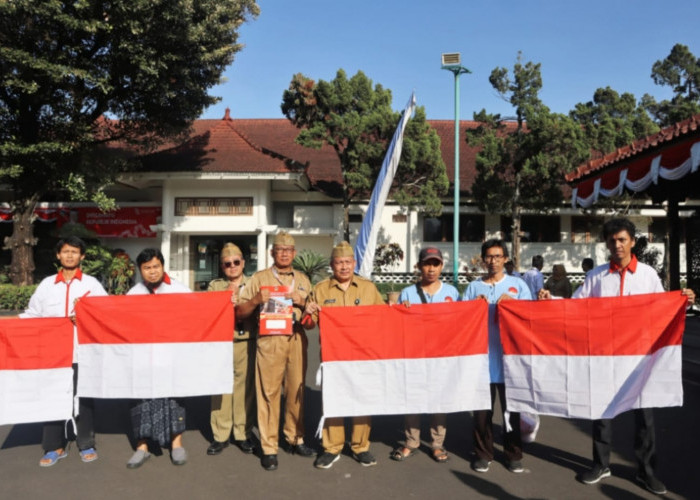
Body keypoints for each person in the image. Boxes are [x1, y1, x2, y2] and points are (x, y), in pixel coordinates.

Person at [539, 218, 695, 495]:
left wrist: (684, 299)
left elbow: (663, 309)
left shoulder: (647, 275)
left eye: (623, 239)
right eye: (612, 240)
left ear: (633, 241)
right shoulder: (596, 276)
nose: (617, 245)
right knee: (601, 411)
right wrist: (550, 301)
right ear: (606, 244)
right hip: (604, 357)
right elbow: (576, 310)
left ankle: (646, 472)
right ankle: (601, 464)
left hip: (640, 359)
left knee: (644, 415)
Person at [21, 236, 108, 467]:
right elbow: (32, 315)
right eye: (66, 251)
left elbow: (105, 314)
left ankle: (86, 443)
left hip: (83, 353)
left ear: (82, 257)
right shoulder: (47, 285)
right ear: (58, 256)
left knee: (84, 400)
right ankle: (53, 446)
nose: (70, 255)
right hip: (52, 354)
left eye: (75, 252)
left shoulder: (91, 285)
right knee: (51, 398)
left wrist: (85, 317)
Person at [302, 241, 386, 469]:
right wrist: (307, 313)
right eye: (339, 262)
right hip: (334, 358)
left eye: (348, 262)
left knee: (362, 400)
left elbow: (383, 318)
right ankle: (332, 447)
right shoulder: (320, 289)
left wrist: (401, 308)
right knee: (333, 401)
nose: (344, 267)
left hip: (362, 356)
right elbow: (309, 325)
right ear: (332, 265)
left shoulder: (368, 288)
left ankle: (361, 446)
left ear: (354, 263)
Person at [235, 232, 314, 471]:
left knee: (296, 391)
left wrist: (302, 303)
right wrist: (256, 299)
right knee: (268, 394)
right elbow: (239, 312)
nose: (284, 254)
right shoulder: (259, 279)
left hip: (296, 338)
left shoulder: (302, 280)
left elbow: (312, 319)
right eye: (280, 249)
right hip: (270, 340)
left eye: (288, 250)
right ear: (272, 253)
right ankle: (269, 447)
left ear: (294, 253)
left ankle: (295, 437)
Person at [462, 239, 532, 474]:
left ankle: (513, 454)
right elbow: (460, 322)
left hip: (510, 361)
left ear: (505, 259)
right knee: (482, 413)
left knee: (511, 410)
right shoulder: (473, 288)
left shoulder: (518, 285)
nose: (493, 261)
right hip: (481, 361)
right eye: (489, 257)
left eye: (498, 256)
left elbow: (532, 317)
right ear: (483, 259)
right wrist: (473, 307)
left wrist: (515, 305)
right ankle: (483, 454)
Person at [390, 247, 459, 464]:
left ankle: (437, 444)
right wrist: (400, 309)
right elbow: (398, 325)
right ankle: (412, 442)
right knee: (414, 398)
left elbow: (461, 323)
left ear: (441, 267)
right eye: (427, 264)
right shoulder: (408, 293)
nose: (431, 269)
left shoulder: (452, 293)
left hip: (441, 355)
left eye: (435, 264)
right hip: (415, 354)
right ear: (419, 266)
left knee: (438, 400)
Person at [125, 248, 191, 469]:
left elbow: (197, 315)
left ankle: (177, 444)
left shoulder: (181, 291)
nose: (152, 272)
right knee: (141, 402)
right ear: (140, 270)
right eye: (147, 268)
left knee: (174, 400)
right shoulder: (133, 295)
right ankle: (141, 447)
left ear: (163, 267)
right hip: (143, 359)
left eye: (155, 267)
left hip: (172, 357)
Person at [206, 243, 256, 456]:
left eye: (236, 262)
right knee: (221, 390)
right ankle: (221, 435)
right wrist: (224, 297)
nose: (232, 267)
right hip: (222, 344)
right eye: (227, 264)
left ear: (243, 263)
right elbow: (207, 313)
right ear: (222, 267)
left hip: (246, 341)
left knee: (245, 389)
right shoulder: (215, 286)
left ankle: (243, 433)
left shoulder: (254, 284)